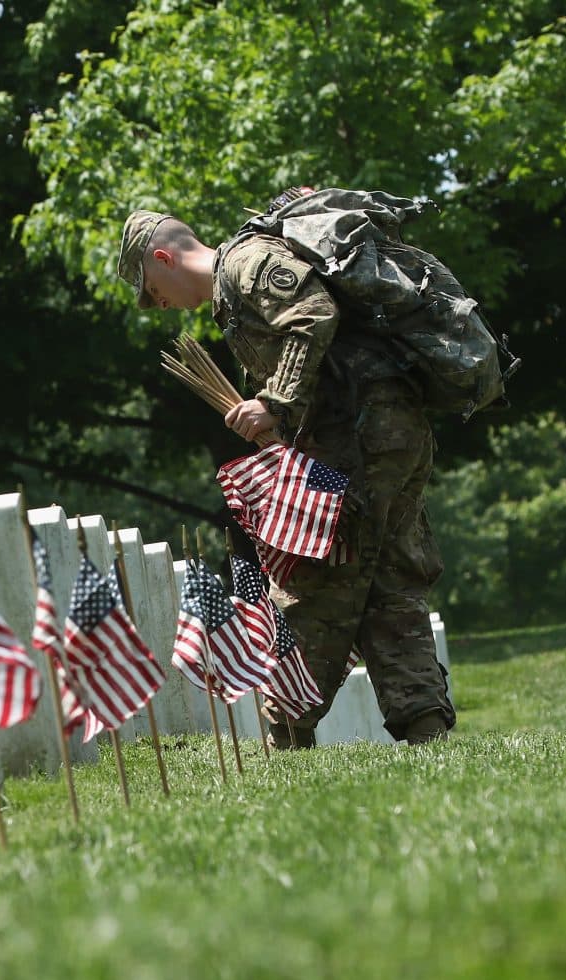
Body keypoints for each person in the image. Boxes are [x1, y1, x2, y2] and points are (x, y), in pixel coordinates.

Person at [115, 204, 454, 745]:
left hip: (363, 436)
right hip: (387, 433)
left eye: (151, 287)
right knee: (388, 575)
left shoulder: (244, 266)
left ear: (163, 258)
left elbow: (315, 313)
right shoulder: (234, 288)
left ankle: (286, 734)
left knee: (314, 571)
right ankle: (425, 727)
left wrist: (275, 401)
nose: (157, 302)